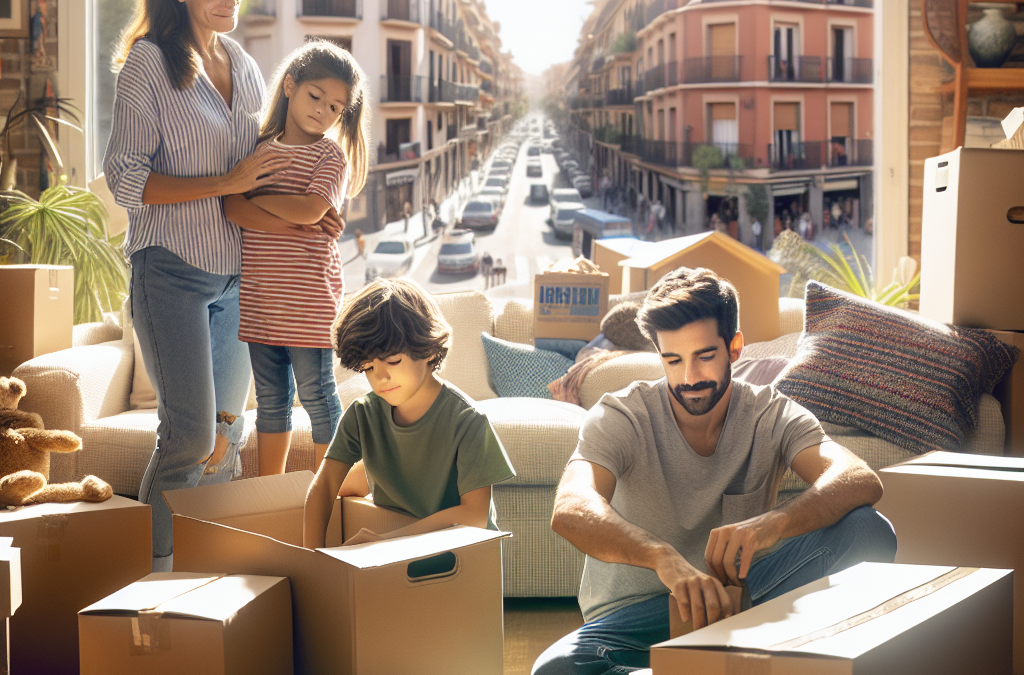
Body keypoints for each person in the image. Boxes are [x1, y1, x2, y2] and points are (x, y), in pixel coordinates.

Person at [533, 267, 897, 675]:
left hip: (744, 601)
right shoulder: (622, 415)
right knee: (557, 669)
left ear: (735, 347)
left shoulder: (770, 413)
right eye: (673, 360)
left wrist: (774, 524)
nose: (689, 378)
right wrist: (660, 557)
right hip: (638, 620)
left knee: (869, 530)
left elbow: (858, 477)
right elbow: (571, 506)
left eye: (705, 356)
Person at [104, 0, 340, 565]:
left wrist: (315, 215)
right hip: (171, 272)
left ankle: (207, 574)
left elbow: (269, 168)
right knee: (190, 437)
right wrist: (222, 183)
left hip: (240, 281)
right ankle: (155, 580)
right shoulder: (150, 62)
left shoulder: (245, 65)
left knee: (226, 437)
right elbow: (125, 179)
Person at [222, 40, 370, 476]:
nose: (323, 111)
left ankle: (333, 489)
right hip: (261, 303)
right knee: (270, 402)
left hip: (308, 304)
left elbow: (310, 209)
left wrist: (258, 201)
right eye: (315, 96)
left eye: (335, 108)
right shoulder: (258, 148)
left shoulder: (330, 156)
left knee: (318, 396)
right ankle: (273, 490)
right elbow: (232, 209)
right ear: (290, 86)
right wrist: (286, 222)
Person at [302, 279, 516, 548]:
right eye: (368, 367)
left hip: (462, 555)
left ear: (428, 351)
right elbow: (323, 487)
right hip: (395, 555)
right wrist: (312, 558)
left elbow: (474, 516)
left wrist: (383, 542)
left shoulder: (467, 421)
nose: (380, 377)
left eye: (393, 361)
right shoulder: (362, 414)